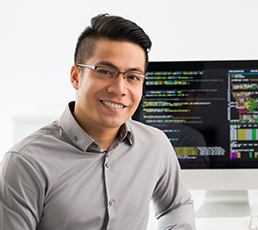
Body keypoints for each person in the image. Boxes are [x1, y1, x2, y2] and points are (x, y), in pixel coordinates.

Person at [0, 13, 196, 230]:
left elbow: (177, 205)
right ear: (76, 76)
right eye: (105, 71)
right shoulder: (26, 163)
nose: (120, 89)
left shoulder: (155, 145)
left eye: (132, 77)